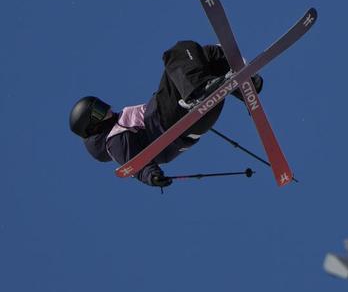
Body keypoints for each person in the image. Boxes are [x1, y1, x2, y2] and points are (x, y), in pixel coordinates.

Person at [69, 40, 262, 188]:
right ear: (93, 127)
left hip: (197, 124)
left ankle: (241, 81)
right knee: (176, 54)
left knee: (201, 56)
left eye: (102, 105)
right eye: (99, 111)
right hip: (168, 119)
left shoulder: (118, 125)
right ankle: (198, 91)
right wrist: (151, 176)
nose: (107, 109)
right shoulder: (113, 141)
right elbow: (134, 164)